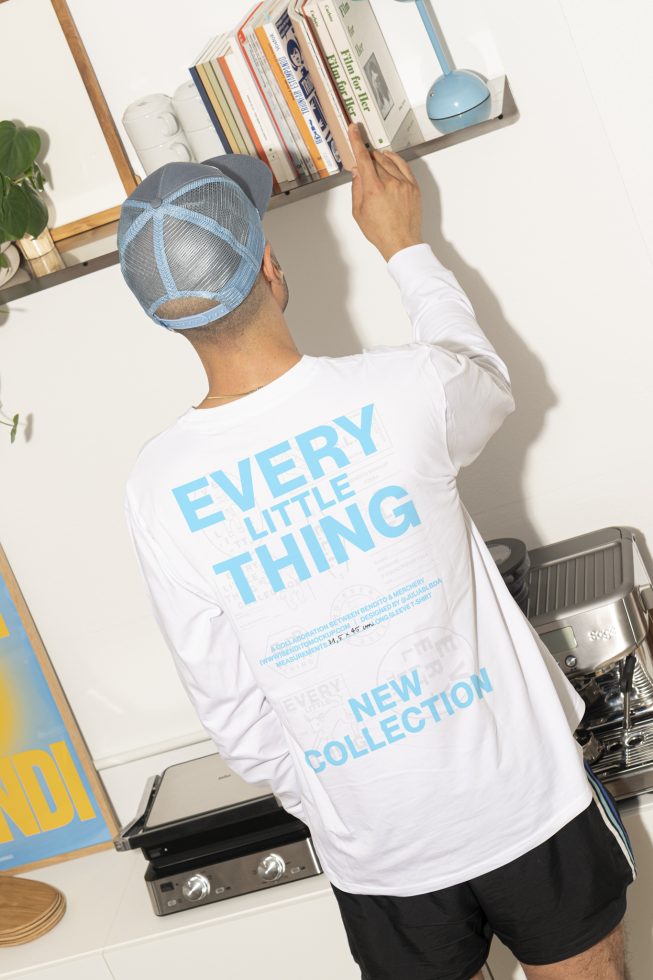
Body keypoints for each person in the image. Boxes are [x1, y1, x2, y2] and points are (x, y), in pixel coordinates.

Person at [118, 123, 636, 980]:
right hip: (526, 803)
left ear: (166, 319)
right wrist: (403, 247)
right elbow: (483, 377)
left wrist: (345, 796)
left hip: (379, 854)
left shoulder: (156, 487)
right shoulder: (405, 392)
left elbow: (236, 719)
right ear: (271, 270)